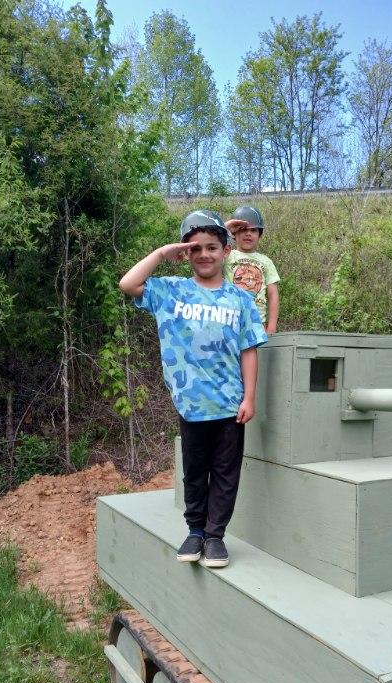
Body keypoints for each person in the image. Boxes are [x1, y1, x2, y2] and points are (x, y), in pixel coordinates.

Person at [118, 210, 267, 568]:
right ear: (185, 253)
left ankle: (216, 537)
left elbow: (248, 350)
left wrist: (249, 396)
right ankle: (196, 531)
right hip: (190, 404)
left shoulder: (241, 300)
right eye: (195, 248)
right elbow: (128, 284)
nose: (204, 254)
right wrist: (160, 253)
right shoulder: (171, 291)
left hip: (231, 404)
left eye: (212, 247)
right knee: (195, 473)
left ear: (226, 251)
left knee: (226, 474)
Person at [223, 206, 280, 334]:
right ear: (233, 233)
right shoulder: (226, 255)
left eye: (253, 230)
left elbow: (273, 295)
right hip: (228, 321)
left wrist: (271, 327)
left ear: (259, 235)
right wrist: (225, 227)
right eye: (243, 230)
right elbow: (206, 246)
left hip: (257, 324)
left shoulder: (266, 261)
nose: (248, 233)